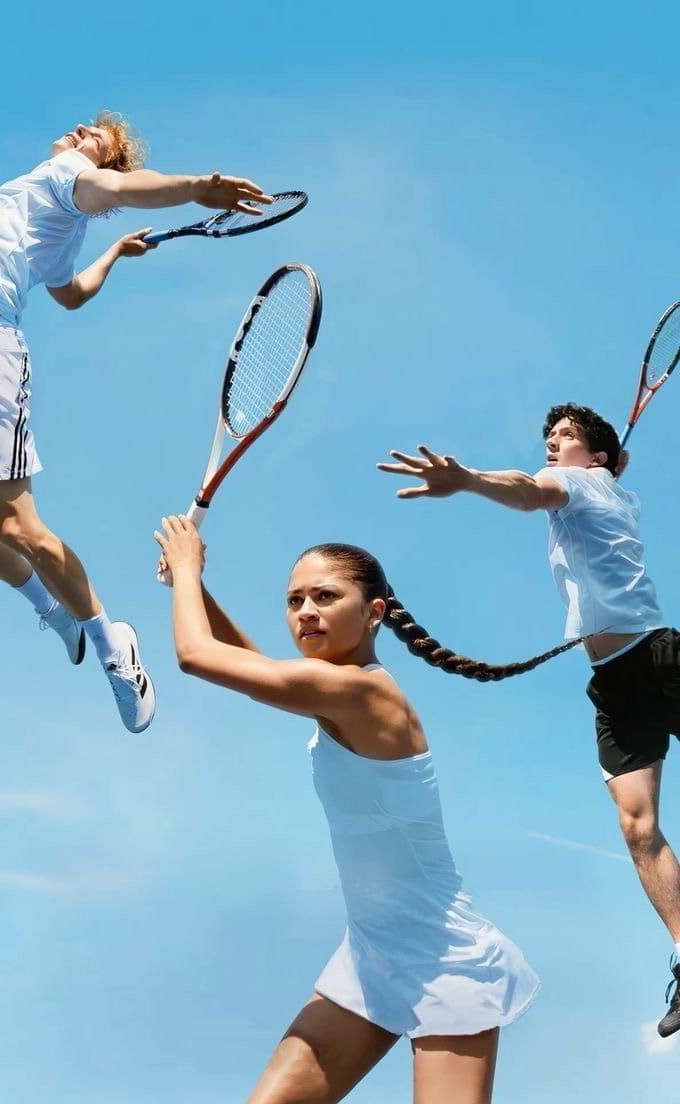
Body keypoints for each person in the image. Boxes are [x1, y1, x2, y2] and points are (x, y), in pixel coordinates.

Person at [154, 518, 538, 1103]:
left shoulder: (367, 693)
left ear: (374, 613)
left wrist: (186, 566)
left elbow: (195, 656)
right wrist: (196, 589)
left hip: (444, 956)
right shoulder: (332, 691)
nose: (305, 610)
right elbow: (255, 665)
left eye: (325, 596)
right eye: (294, 600)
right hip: (371, 952)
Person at [0, 113, 271, 732]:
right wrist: (117, 252)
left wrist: (197, 187)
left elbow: (124, 190)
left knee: (17, 526)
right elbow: (70, 294)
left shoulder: (70, 176)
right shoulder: (55, 221)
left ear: (102, 162)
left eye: (97, 135)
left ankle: (112, 644)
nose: (79, 130)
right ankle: (54, 608)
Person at [378, 402, 680, 1037]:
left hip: (659, 658)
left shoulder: (580, 482)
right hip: (617, 679)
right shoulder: (609, 486)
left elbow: (528, 489)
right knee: (637, 825)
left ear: (597, 458)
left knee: (639, 823)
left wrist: (467, 480)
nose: (552, 443)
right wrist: (605, 458)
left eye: (566, 436)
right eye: (548, 435)